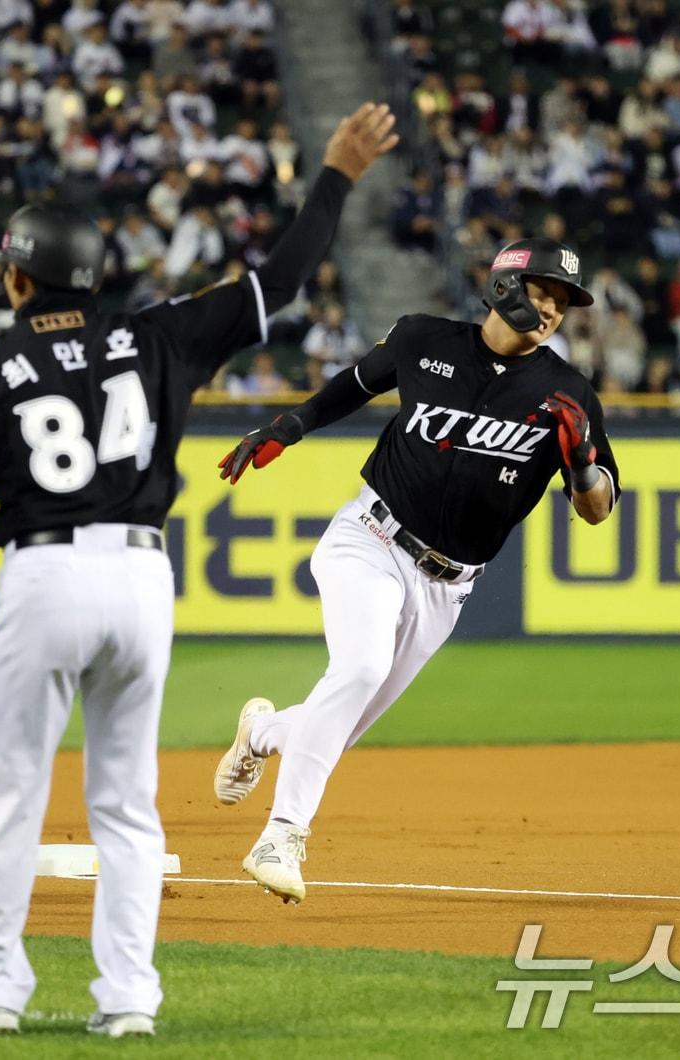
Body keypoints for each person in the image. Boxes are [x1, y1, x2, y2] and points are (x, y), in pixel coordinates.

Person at [0, 103, 398, 1037]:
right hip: (138, 580)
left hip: (42, 580)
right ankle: (128, 1001)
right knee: (126, 805)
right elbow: (282, 279)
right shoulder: (159, 335)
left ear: (19, 278)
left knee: (13, 793)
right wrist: (336, 174)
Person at [214, 237, 621, 904]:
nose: (553, 310)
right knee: (360, 669)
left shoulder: (567, 392)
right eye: (543, 292)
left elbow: (598, 509)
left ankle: (260, 732)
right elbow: (354, 385)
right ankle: (280, 836)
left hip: (446, 588)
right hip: (370, 539)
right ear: (503, 288)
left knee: (338, 726)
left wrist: (581, 464)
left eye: (564, 302)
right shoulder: (424, 339)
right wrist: (288, 427)